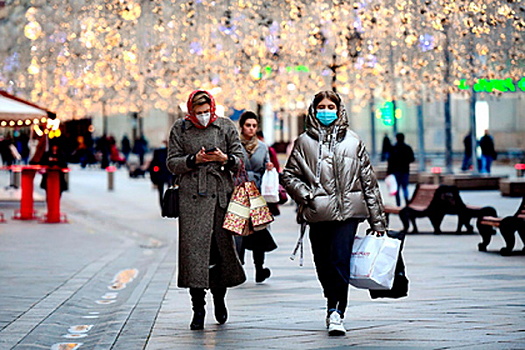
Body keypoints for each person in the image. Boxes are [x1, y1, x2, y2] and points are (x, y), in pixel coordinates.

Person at [282, 90, 387, 336]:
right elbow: (288, 175)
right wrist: (307, 196)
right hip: (318, 214)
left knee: (340, 260)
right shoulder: (303, 142)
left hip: (347, 214)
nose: (326, 111)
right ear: (314, 109)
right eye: (322, 106)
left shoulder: (353, 141)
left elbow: (368, 182)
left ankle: (336, 311)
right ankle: (332, 301)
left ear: (339, 110)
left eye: (331, 107)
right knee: (323, 263)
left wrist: (378, 221)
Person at [166, 90, 246, 331]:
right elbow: (171, 162)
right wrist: (193, 161)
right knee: (194, 256)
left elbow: (241, 159)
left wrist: (225, 158)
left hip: (220, 198)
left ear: (213, 109)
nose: (203, 117)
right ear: (191, 112)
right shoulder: (180, 129)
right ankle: (198, 308)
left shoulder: (225, 126)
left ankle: (219, 300)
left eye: (206, 112)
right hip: (192, 201)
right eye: (198, 113)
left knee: (220, 253)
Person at [236, 111, 278, 283]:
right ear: (242, 126)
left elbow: (266, 166)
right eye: (248, 125)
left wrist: (269, 167)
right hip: (238, 193)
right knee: (238, 232)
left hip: (258, 195)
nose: (251, 129)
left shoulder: (262, 147)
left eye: (254, 126)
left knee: (259, 231)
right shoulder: (235, 145)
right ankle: (238, 268)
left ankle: (259, 268)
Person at [387, 133, 415, 206]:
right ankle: (406, 202)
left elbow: (390, 161)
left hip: (396, 171)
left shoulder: (393, 148)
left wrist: (389, 172)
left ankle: (398, 204)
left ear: (396, 138)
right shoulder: (407, 148)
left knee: (397, 188)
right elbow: (412, 159)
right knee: (405, 187)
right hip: (405, 170)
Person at [148, 140, 174, 209]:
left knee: (167, 190)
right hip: (163, 174)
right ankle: (164, 206)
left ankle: (167, 205)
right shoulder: (160, 152)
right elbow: (154, 164)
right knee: (163, 190)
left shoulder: (168, 152)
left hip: (166, 173)